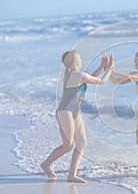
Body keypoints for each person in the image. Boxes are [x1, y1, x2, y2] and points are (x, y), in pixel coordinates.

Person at [41, 50, 114, 183]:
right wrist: (109, 69)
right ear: (75, 61)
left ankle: (71, 175)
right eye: (79, 58)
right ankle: (46, 164)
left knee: (82, 142)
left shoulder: (75, 75)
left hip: (73, 112)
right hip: (65, 111)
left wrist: (100, 66)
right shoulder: (76, 74)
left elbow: (89, 80)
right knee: (68, 145)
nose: (81, 60)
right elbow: (101, 81)